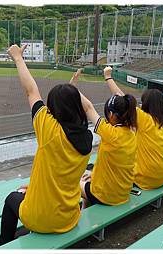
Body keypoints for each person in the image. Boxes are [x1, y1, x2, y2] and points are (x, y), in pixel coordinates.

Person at [0, 44, 93, 246]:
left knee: (11, 199)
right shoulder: (87, 138)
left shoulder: (48, 128)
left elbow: (31, 91)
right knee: (25, 192)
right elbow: (84, 107)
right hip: (68, 218)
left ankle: (2, 244)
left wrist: (17, 58)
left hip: (41, 219)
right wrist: (72, 90)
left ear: (54, 109)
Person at [69, 69, 138, 207]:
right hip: (123, 192)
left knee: (67, 184)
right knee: (88, 180)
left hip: (107, 196)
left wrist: (73, 87)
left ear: (111, 115)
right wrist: (94, 176)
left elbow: (88, 108)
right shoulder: (132, 131)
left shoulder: (110, 133)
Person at [103, 66, 163, 190]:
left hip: (146, 179)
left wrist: (108, 77)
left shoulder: (145, 119)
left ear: (146, 104)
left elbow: (122, 99)